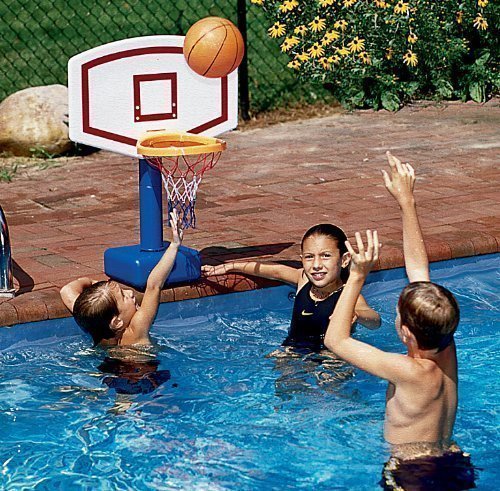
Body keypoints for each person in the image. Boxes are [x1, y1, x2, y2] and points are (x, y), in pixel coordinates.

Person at [324, 152, 476, 490]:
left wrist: (357, 277)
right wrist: (406, 201)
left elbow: (335, 341)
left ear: (406, 332)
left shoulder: (408, 371)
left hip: (414, 474)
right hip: (453, 460)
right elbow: (419, 273)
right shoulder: (446, 347)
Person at [203, 223, 380, 354]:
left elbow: (375, 320)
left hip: (332, 357)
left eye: (326, 256)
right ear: (301, 258)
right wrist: (231, 266)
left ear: (344, 259)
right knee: (282, 384)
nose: (316, 265)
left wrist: (359, 316)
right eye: (309, 257)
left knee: (330, 382)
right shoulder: (303, 278)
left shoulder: (348, 295)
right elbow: (274, 271)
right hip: (293, 349)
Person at [60, 210, 183, 347]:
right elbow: (154, 285)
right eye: (124, 296)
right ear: (117, 322)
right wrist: (174, 245)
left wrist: (101, 289)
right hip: (142, 368)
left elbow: (66, 290)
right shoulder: (135, 331)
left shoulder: (89, 320)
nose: (130, 293)